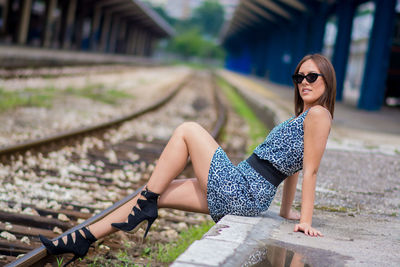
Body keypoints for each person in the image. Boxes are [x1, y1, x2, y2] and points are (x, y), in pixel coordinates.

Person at [39, 53, 336, 266]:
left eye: (312, 76)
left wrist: (305, 221)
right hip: (244, 189)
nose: (303, 82)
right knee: (157, 193)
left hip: (244, 191)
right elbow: (293, 169)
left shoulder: (319, 114)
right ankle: (81, 239)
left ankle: (145, 204)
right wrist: (286, 212)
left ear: (327, 81)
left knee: (188, 130)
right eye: (299, 77)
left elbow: (310, 170)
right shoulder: (304, 117)